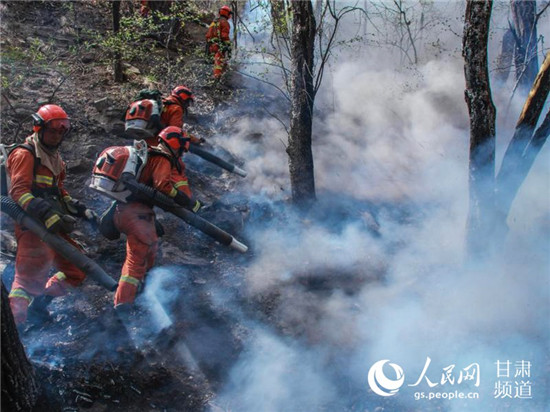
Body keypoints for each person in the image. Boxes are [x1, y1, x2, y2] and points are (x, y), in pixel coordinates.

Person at [6, 104, 94, 324]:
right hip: (32, 228)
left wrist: (80, 209)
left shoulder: (54, 159)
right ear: (39, 128)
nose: (56, 136)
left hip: (52, 227)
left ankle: (39, 305)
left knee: (76, 269)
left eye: (61, 132)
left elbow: (58, 191)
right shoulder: (25, 154)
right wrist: (45, 213)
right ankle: (12, 330)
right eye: (52, 131)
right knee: (25, 283)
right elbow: (18, 192)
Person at [112, 126, 201, 309]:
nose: (182, 153)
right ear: (175, 144)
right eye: (181, 149)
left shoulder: (150, 155)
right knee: (136, 259)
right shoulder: (162, 158)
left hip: (134, 212)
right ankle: (123, 304)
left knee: (150, 249)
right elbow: (162, 186)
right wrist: (181, 198)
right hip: (134, 213)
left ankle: (142, 294)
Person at [205, 5, 232, 79]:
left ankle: (220, 75)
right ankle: (217, 77)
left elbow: (208, 35)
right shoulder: (224, 22)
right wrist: (228, 46)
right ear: (227, 13)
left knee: (218, 61)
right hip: (218, 46)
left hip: (210, 46)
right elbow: (224, 36)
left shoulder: (213, 22)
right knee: (219, 61)